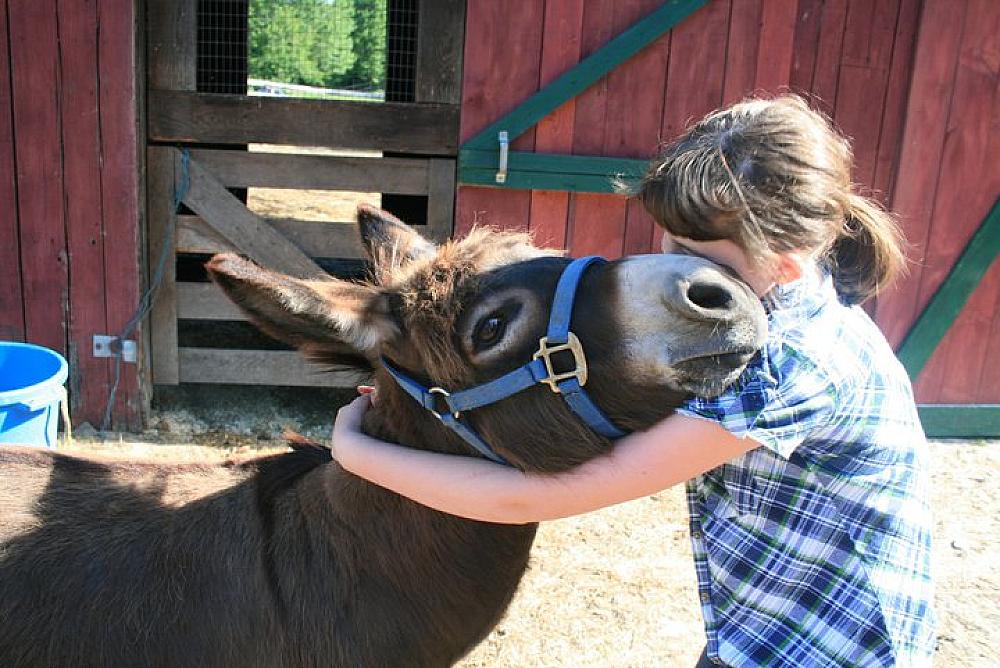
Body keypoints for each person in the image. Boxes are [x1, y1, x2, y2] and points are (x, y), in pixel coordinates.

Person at [331, 96, 936, 667]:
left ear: (785, 264)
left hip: (833, 646)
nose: (678, 267)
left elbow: (527, 499)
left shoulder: (791, 364)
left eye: (704, 258)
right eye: (674, 244)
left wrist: (355, 452)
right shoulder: (783, 301)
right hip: (768, 624)